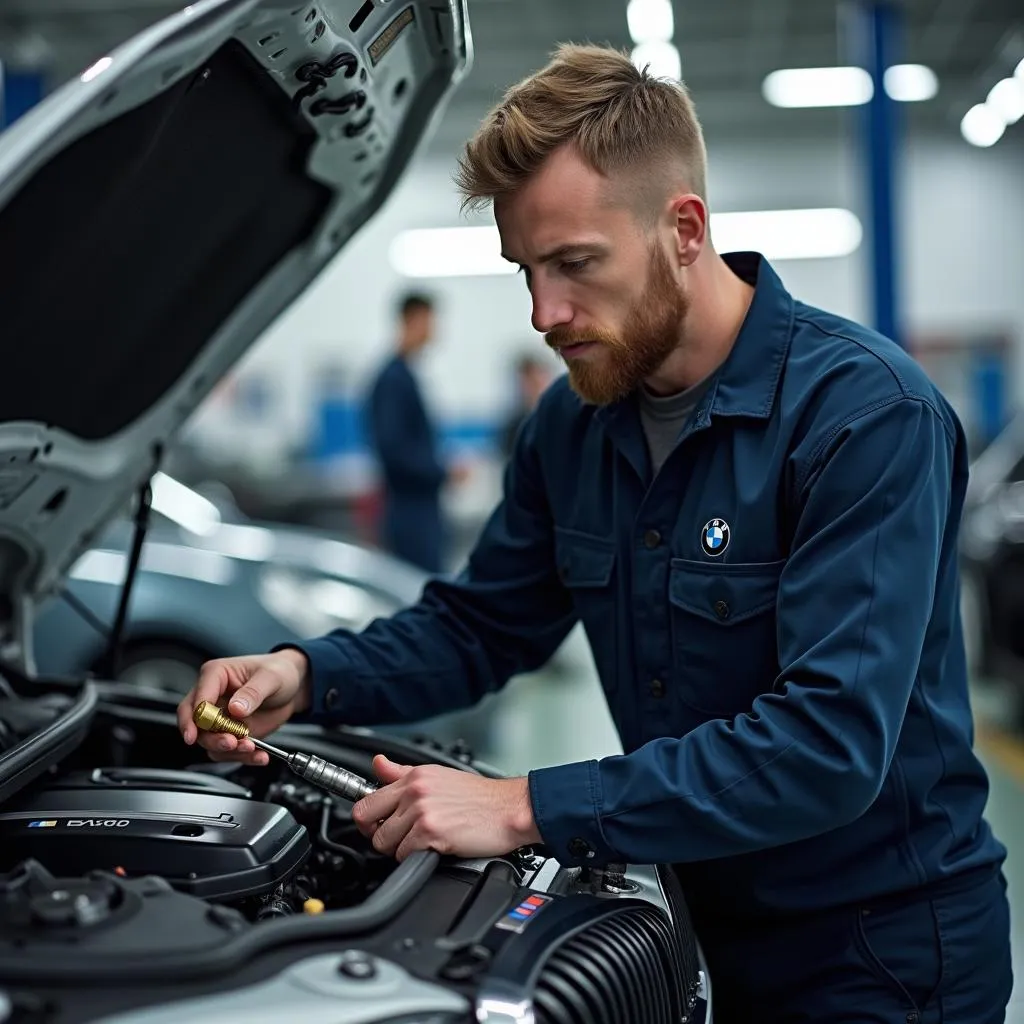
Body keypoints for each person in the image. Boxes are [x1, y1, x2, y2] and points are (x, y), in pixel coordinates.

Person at [178, 44, 1012, 1022]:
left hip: (878, 953)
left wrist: (523, 803)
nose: (544, 312)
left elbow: (824, 745)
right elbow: (479, 625)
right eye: (525, 268)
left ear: (683, 228)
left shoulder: (862, 417)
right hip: (688, 917)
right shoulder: (574, 425)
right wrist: (305, 672)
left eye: (574, 264)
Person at [365, 291, 451, 574]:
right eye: (429, 321)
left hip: (420, 508)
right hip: (410, 511)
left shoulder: (405, 376)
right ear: (412, 320)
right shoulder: (393, 380)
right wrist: (442, 472)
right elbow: (394, 450)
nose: (433, 330)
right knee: (416, 589)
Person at [499, 354, 553, 459]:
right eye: (528, 382)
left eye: (536, 383)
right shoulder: (513, 427)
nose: (532, 389)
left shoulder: (563, 420)